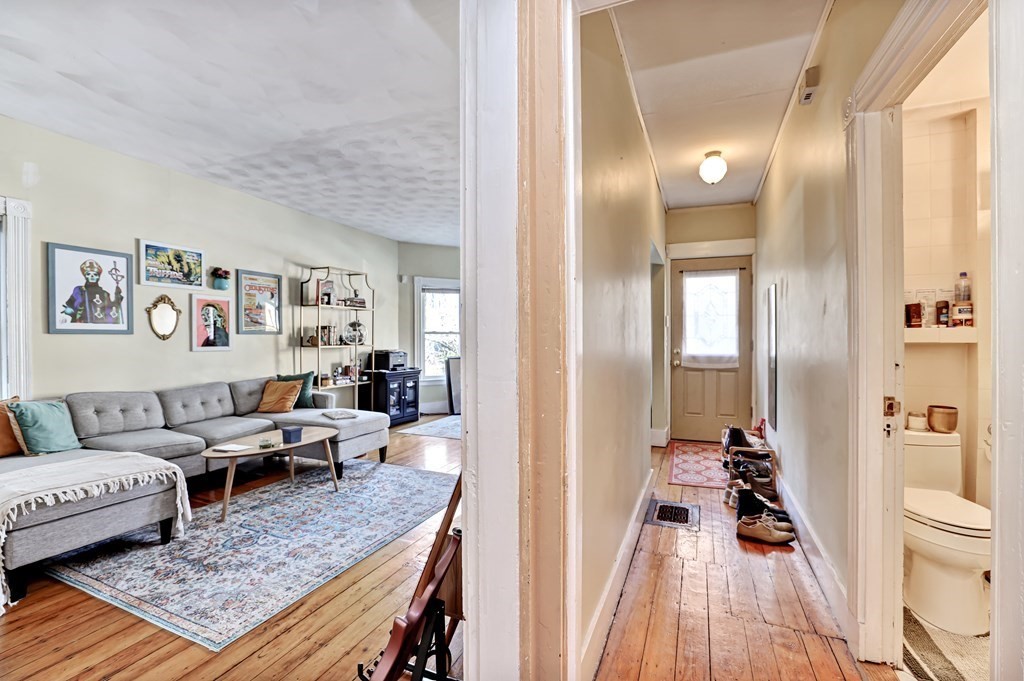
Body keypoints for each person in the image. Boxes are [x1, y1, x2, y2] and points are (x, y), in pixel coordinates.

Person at [62, 259, 124, 324]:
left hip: (99, 325)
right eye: (89, 274)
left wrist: (118, 296)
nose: (92, 276)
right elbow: (70, 305)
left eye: (95, 274)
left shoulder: (105, 294)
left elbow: (111, 310)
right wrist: (69, 311)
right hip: (82, 324)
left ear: (98, 277)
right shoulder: (79, 290)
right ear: (85, 276)